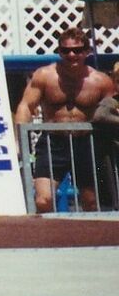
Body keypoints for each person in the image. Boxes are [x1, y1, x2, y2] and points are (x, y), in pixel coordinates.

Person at [14, 26, 116, 212]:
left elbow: (113, 110)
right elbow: (25, 106)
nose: (71, 55)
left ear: (87, 51)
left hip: (87, 144)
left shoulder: (101, 81)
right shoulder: (45, 75)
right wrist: (20, 141)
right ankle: (49, 239)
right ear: (59, 51)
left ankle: (88, 241)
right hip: (53, 142)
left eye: (77, 50)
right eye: (65, 50)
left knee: (92, 202)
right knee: (43, 200)